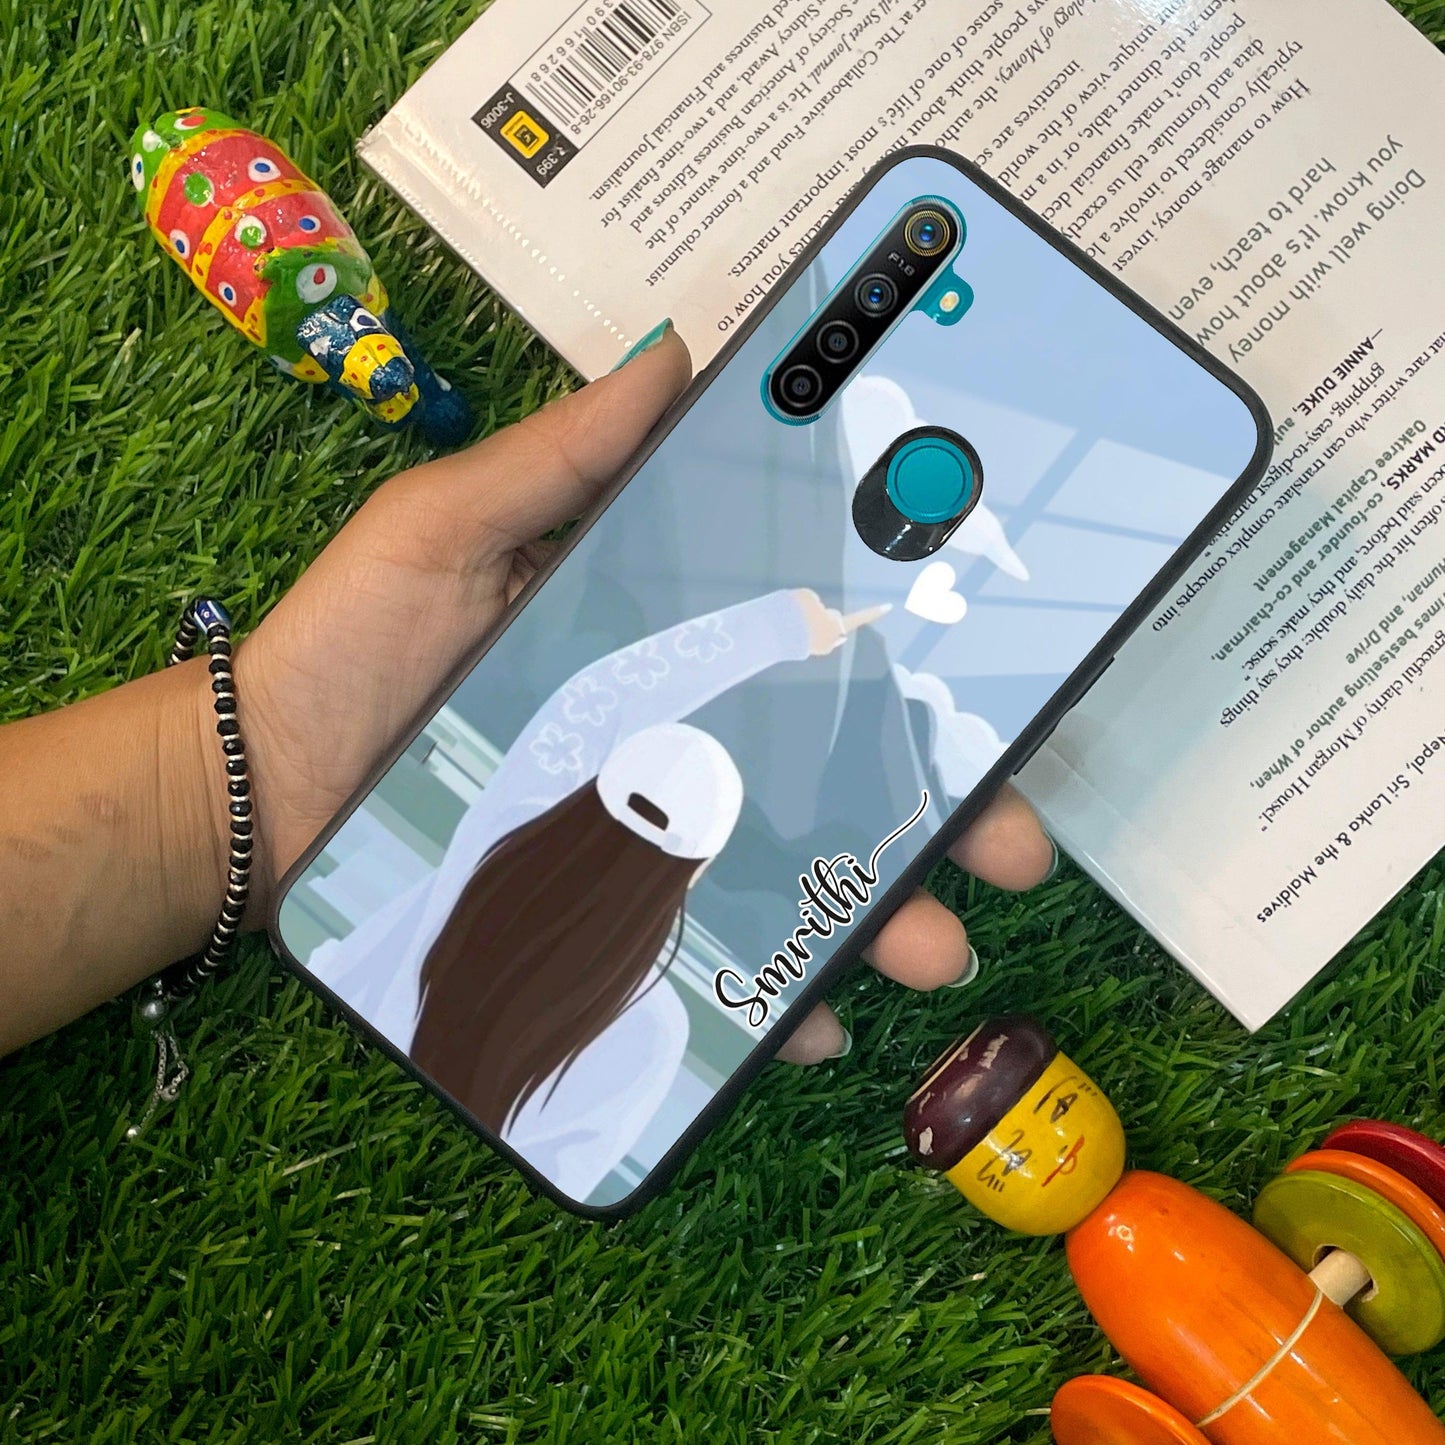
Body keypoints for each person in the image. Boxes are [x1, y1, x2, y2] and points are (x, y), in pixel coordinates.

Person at [0, 329, 1053, 1085]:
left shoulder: (511, 853)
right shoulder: (643, 1026)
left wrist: (780, 626)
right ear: (696, 871)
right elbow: (601, 713)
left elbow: (597, 704)